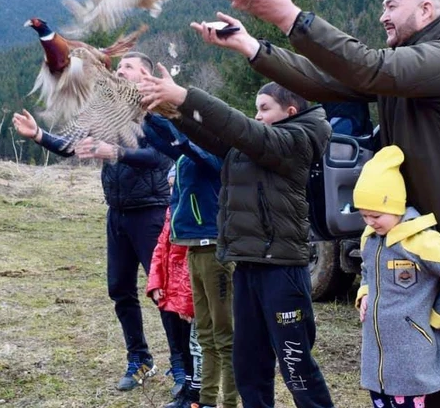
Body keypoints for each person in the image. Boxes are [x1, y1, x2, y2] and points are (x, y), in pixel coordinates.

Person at [193, 0, 440, 408]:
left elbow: (369, 67)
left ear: (426, 9)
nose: (382, 15)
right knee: (431, 378)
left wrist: (293, 18)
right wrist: (252, 46)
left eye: (391, 6)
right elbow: (322, 81)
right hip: (437, 248)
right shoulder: (402, 71)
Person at [140, 71, 335, 408]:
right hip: (246, 268)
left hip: (282, 272)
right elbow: (207, 134)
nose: (257, 116)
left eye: (264, 108)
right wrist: (168, 108)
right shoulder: (254, 146)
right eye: (255, 109)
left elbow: (240, 127)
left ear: (290, 112)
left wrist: (186, 95)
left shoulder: (296, 142)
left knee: (295, 366)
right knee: (249, 365)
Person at [12, 51, 175, 392]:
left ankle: (182, 364)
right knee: (120, 289)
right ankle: (140, 359)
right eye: (118, 66)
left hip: (150, 211)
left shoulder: (156, 110)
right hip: (116, 213)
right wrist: (39, 135)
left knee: (163, 292)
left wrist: (114, 152)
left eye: (127, 67)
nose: (119, 71)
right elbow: (74, 146)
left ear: (144, 74)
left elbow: (159, 159)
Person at [353, 145, 440, 408]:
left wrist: (436, 318)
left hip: (411, 359)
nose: (369, 222)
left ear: (397, 206)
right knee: (379, 401)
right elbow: (367, 269)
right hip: (377, 358)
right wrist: (364, 291)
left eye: (376, 215)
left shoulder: (421, 242)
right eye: (364, 215)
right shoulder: (370, 238)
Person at [143, 114, 238, 408]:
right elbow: (160, 139)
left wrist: (170, 112)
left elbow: (184, 142)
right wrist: (143, 112)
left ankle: (231, 402)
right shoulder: (184, 156)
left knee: (225, 335)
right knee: (206, 333)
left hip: (214, 249)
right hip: (192, 248)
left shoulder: (215, 153)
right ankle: (206, 400)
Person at [146, 165, 201, 407]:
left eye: (175, 186)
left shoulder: (196, 213)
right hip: (170, 292)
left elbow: (193, 263)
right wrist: (155, 281)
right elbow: (161, 247)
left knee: (194, 345)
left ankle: (195, 394)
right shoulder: (172, 210)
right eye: (169, 187)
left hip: (186, 296)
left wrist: (188, 303)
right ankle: (187, 387)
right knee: (179, 342)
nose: (172, 191)